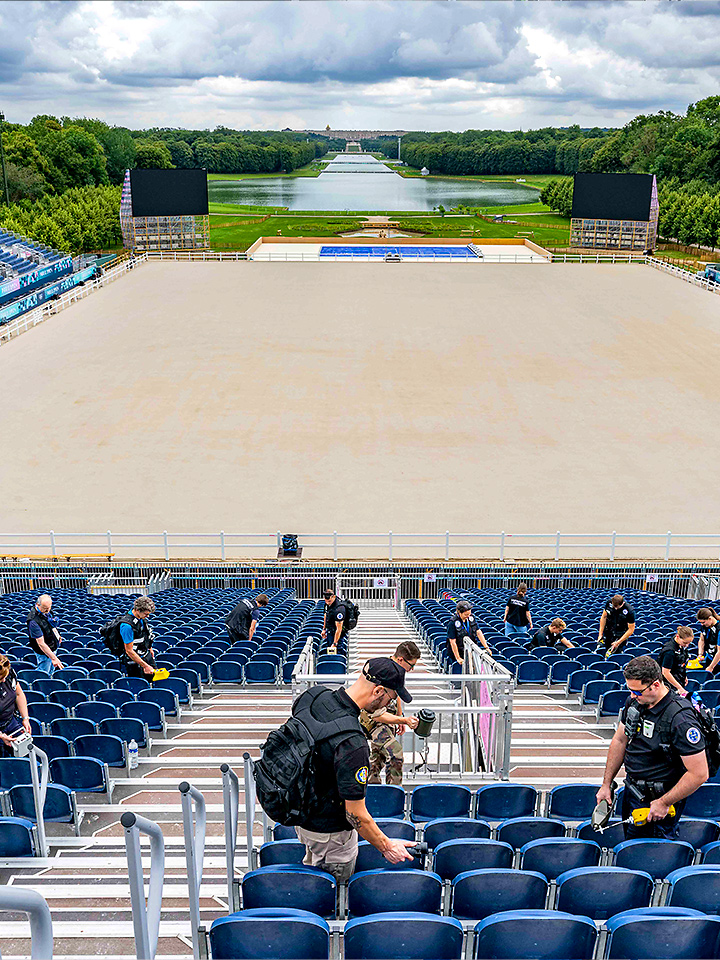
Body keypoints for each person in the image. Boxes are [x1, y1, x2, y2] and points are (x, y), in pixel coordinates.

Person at [294, 657, 416, 880]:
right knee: (333, 896)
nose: (390, 702)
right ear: (378, 691)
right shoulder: (353, 742)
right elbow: (354, 813)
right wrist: (387, 846)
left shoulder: (314, 697)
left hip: (302, 820)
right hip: (331, 836)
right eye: (391, 696)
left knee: (309, 881)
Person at [595, 655, 708, 839]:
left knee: (648, 856)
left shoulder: (681, 719)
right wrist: (607, 784)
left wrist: (664, 802)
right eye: (630, 690)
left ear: (655, 684)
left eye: (637, 691)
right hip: (634, 792)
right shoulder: (636, 702)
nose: (632, 695)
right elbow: (620, 740)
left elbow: (699, 773)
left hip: (659, 801)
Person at [360, 641, 420, 784]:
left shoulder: (397, 670)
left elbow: (397, 692)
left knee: (376, 759)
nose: (411, 669)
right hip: (376, 721)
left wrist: (399, 715)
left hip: (388, 719)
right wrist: (403, 721)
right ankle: (393, 793)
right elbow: (377, 714)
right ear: (400, 659)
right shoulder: (385, 672)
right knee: (396, 753)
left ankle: (374, 793)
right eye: (411, 665)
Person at [0, 653, 32, 758]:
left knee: (26, 754)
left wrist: (25, 718)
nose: (4, 681)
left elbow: (19, 694)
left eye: (5, 677)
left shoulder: (9, 673)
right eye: (0, 679)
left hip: (10, 721)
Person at [119, 597, 157, 678]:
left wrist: (150, 648)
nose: (148, 616)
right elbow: (129, 651)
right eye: (146, 614)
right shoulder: (126, 626)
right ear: (137, 610)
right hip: (135, 661)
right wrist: (145, 666)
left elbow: (144, 634)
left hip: (145, 654)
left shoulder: (141, 618)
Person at [26, 594, 63, 676]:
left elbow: (51, 624)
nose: (48, 610)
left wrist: (57, 635)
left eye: (49, 607)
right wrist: (54, 658)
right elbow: (41, 643)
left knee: (51, 670)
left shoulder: (47, 611)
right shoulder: (33, 621)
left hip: (52, 645)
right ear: (38, 605)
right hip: (43, 651)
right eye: (45, 608)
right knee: (43, 672)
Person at [659, 626, 694, 696]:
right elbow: (665, 672)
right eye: (685, 643)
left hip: (678, 677)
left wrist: (684, 676)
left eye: (689, 643)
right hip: (668, 684)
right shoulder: (669, 652)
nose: (687, 645)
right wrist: (679, 688)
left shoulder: (681, 645)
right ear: (677, 637)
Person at [322, 589, 348, 655]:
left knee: (337, 655)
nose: (327, 603)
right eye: (326, 601)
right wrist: (324, 629)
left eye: (329, 601)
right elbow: (326, 615)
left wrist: (335, 643)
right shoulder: (327, 604)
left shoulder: (339, 609)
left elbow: (339, 629)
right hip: (330, 632)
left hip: (337, 636)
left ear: (333, 596)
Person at [697, 607, 720, 672]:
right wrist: (700, 654)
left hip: (717, 662)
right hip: (710, 657)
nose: (702, 624)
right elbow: (702, 640)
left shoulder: (718, 629)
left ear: (710, 618)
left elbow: (719, 651)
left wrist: (711, 667)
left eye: (703, 622)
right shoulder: (705, 627)